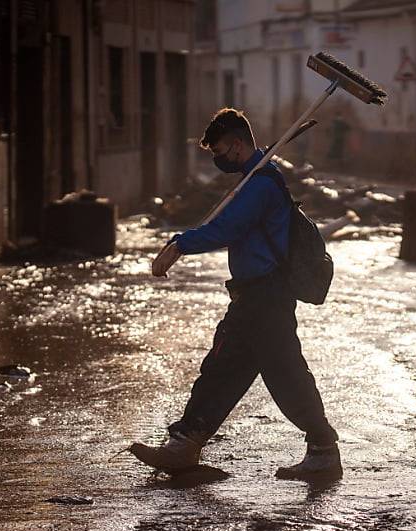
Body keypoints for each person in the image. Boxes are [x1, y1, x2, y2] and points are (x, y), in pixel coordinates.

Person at [133, 108, 341, 480]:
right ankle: (185, 445)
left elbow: (226, 229)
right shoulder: (253, 178)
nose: (218, 160)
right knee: (221, 369)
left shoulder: (260, 184)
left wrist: (179, 245)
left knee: (287, 376)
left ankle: (323, 451)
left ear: (237, 144)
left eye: (220, 152)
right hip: (253, 296)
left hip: (267, 297)